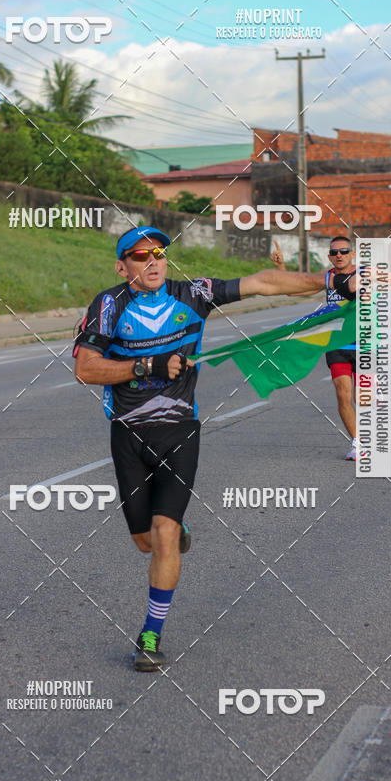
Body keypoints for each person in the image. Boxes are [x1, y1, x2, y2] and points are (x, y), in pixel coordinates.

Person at [74, 226, 325, 671]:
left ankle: (150, 634)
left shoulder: (193, 294)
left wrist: (331, 282)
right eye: (140, 256)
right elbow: (86, 370)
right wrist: (145, 365)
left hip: (179, 430)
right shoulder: (108, 305)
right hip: (129, 433)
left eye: (159, 253)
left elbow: (263, 282)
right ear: (121, 266)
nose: (153, 261)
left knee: (165, 534)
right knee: (144, 541)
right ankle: (173, 532)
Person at [270, 232, 391, 459]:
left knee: (362, 397)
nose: (338, 255)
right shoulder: (328, 278)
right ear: (330, 257)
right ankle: (357, 443)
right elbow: (295, 290)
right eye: (333, 252)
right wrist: (281, 268)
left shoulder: (366, 272)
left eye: (343, 251)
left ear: (353, 254)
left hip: (365, 341)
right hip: (337, 343)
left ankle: (372, 393)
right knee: (342, 394)